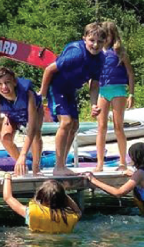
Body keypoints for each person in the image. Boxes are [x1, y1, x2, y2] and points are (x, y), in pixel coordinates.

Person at [38, 23, 105, 177]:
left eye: (100, 42)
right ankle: (59, 166)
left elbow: (94, 84)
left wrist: (93, 104)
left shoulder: (100, 59)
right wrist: (42, 93)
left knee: (74, 125)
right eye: (91, 40)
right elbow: (49, 69)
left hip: (70, 90)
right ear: (84, 39)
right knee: (67, 122)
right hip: (56, 87)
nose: (95, 45)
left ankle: (61, 164)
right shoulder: (76, 54)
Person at [91, 21, 135, 171]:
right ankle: (99, 163)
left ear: (112, 35)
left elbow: (130, 73)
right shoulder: (96, 54)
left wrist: (131, 94)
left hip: (118, 90)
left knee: (118, 127)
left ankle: (122, 162)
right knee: (101, 127)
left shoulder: (120, 52)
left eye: (106, 35)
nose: (104, 38)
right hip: (103, 91)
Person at [0, 66, 44, 176]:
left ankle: (36, 167)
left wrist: (24, 154)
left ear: (14, 82)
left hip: (32, 113)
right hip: (13, 114)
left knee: (36, 135)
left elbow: (31, 128)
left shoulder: (28, 95)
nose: (4, 87)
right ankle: (22, 166)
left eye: (7, 82)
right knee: (5, 138)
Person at [2, 174, 81, 233]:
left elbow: (8, 197)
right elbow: (78, 211)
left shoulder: (31, 213)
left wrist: (7, 177)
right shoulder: (70, 217)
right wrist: (63, 194)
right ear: (63, 199)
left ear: (40, 196)